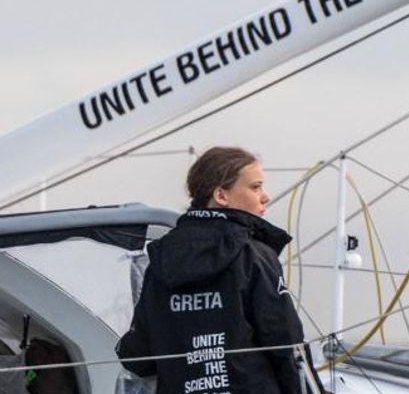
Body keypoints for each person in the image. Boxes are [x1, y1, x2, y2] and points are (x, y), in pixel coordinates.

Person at [117, 147, 306, 394]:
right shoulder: (254, 256)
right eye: (255, 187)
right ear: (221, 195)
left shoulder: (162, 259)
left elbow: (138, 356)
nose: (265, 196)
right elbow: (286, 346)